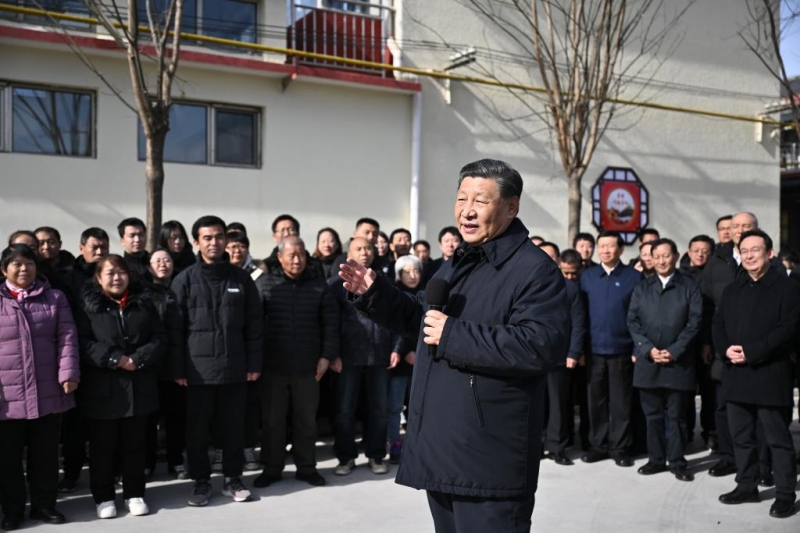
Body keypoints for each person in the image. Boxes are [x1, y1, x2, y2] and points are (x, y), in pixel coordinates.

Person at [340, 159, 569, 532]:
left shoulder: (535, 270)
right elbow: (425, 319)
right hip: (444, 450)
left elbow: (541, 345)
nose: (467, 210)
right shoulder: (460, 261)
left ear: (512, 207)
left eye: (480, 201)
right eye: (462, 198)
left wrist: (453, 335)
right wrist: (376, 295)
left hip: (489, 461)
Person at [171, 216, 263, 507]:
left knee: (233, 428)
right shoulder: (184, 279)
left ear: (226, 239)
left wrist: (254, 363)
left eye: (219, 236)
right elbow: (174, 329)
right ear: (196, 243)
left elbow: (255, 325)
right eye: (207, 238)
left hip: (235, 369)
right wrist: (178, 368)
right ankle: (200, 481)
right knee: (197, 430)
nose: (214, 242)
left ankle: (232, 479)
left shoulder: (241, 279)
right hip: (196, 373)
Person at [713, 229, 799, 519]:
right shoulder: (732, 289)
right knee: (741, 437)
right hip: (736, 374)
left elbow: (788, 329)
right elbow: (718, 325)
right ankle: (746, 485)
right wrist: (726, 350)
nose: (749, 255)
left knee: (777, 438)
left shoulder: (788, 288)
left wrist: (752, 351)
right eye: (744, 251)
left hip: (770, 373)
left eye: (755, 250)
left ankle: (786, 494)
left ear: (770, 253)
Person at [76, 255, 166, 519]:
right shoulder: (87, 306)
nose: (117, 278)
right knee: (103, 447)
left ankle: (134, 493)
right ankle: (104, 497)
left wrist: (137, 359)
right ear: (98, 278)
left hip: (139, 385)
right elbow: (83, 342)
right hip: (103, 387)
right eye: (110, 273)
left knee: (135, 445)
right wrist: (114, 359)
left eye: (121, 272)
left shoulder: (143, 303)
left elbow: (160, 338)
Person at [0, 244, 79, 531]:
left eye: (29, 263)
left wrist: (68, 372)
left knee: (44, 455)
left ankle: (44, 506)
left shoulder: (54, 298)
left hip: (47, 390)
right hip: (6, 396)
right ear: (4, 269)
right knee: (8, 459)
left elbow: (67, 336)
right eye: (17, 264)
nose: (24, 269)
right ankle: (12, 510)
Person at [253, 236, 338, 488]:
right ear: (279, 257)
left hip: (308, 367)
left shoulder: (318, 286)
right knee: (272, 421)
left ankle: (307, 467)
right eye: (291, 255)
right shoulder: (266, 284)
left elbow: (331, 324)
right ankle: (272, 468)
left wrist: (326, 356)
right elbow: (255, 326)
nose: (297, 260)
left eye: (301, 254)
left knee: (306, 421)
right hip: (273, 367)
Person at [627, 239, 703, 482]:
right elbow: (633, 321)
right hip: (648, 362)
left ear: (676, 256)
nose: (661, 260)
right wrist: (648, 349)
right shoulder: (642, 287)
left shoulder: (689, 286)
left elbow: (695, 322)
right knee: (652, 416)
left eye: (666, 255)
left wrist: (675, 350)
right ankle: (656, 459)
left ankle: (678, 461)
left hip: (677, 363)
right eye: (656, 256)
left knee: (677, 416)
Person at [329, 237, 401, 476]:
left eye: (368, 248)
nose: (364, 252)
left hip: (379, 354)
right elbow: (332, 323)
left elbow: (397, 317)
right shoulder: (336, 284)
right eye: (359, 248)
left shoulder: (385, 281)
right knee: (344, 410)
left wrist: (396, 348)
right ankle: (346, 457)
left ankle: (376, 455)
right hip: (348, 355)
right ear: (349, 252)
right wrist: (333, 353)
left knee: (380, 410)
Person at [701, 212, 757, 478]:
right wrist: (707, 343)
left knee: (757, 408)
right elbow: (706, 306)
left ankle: (760, 461)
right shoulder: (717, 261)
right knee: (723, 406)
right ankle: (728, 457)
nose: (740, 230)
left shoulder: (769, 261)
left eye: (747, 226)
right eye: (736, 226)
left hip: (757, 348)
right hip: (722, 346)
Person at [580, 231, 642, 467]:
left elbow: (638, 315)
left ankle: (620, 447)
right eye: (601, 246)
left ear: (621, 249)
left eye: (610, 246)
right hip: (594, 350)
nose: (605, 250)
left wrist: (637, 347)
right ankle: (598, 445)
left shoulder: (632, 278)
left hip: (622, 349)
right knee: (595, 401)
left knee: (621, 401)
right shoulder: (588, 277)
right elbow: (581, 315)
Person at [59, 227, 110, 493]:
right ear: (81, 248)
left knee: (105, 424)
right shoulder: (68, 279)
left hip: (108, 361)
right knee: (74, 426)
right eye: (94, 247)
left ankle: (110, 472)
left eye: (104, 246)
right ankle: (71, 473)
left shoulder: (114, 273)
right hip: (77, 358)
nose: (100, 252)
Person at [144, 249, 187, 479]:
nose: (163, 264)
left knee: (177, 419)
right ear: (149, 267)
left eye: (167, 260)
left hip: (177, 368)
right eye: (157, 261)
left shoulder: (181, 289)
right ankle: (148, 461)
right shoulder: (142, 292)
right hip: (150, 368)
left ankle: (176, 460)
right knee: (149, 421)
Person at [546, 248, 587, 465]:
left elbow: (578, 323)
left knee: (558, 406)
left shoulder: (571, 289)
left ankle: (557, 447)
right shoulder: (536, 284)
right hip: (535, 354)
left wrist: (573, 352)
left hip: (561, 356)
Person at [679, 234, 716, 449]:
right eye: (696, 250)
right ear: (689, 252)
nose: (700, 254)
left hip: (707, 341)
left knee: (708, 389)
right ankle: (685, 432)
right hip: (684, 342)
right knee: (685, 390)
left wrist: (706, 342)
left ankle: (710, 431)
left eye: (705, 251)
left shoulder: (714, 276)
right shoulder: (680, 275)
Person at [388, 254, 422, 464]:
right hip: (399, 361)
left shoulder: (427, 294)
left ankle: (417, 445)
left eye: (416, 270)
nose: (412, 275)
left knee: (418, 407)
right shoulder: (393, 294)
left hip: (422, 361)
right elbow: (394, 327)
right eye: (407, 271)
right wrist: (406, 351)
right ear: (399, 274)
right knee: (394, 406)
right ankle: (394, 444)